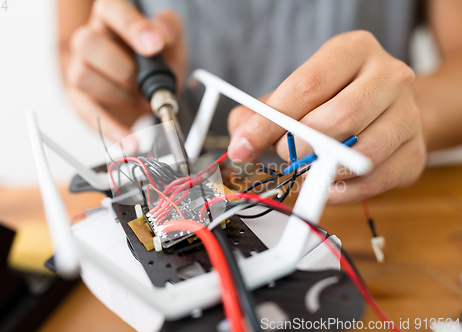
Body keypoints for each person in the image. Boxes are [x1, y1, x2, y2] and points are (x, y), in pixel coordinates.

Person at [56, 0, 462, 204]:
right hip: (205, 201)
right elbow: (70, 47)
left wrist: (406, 117)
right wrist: (114, 81)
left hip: (369, 203)